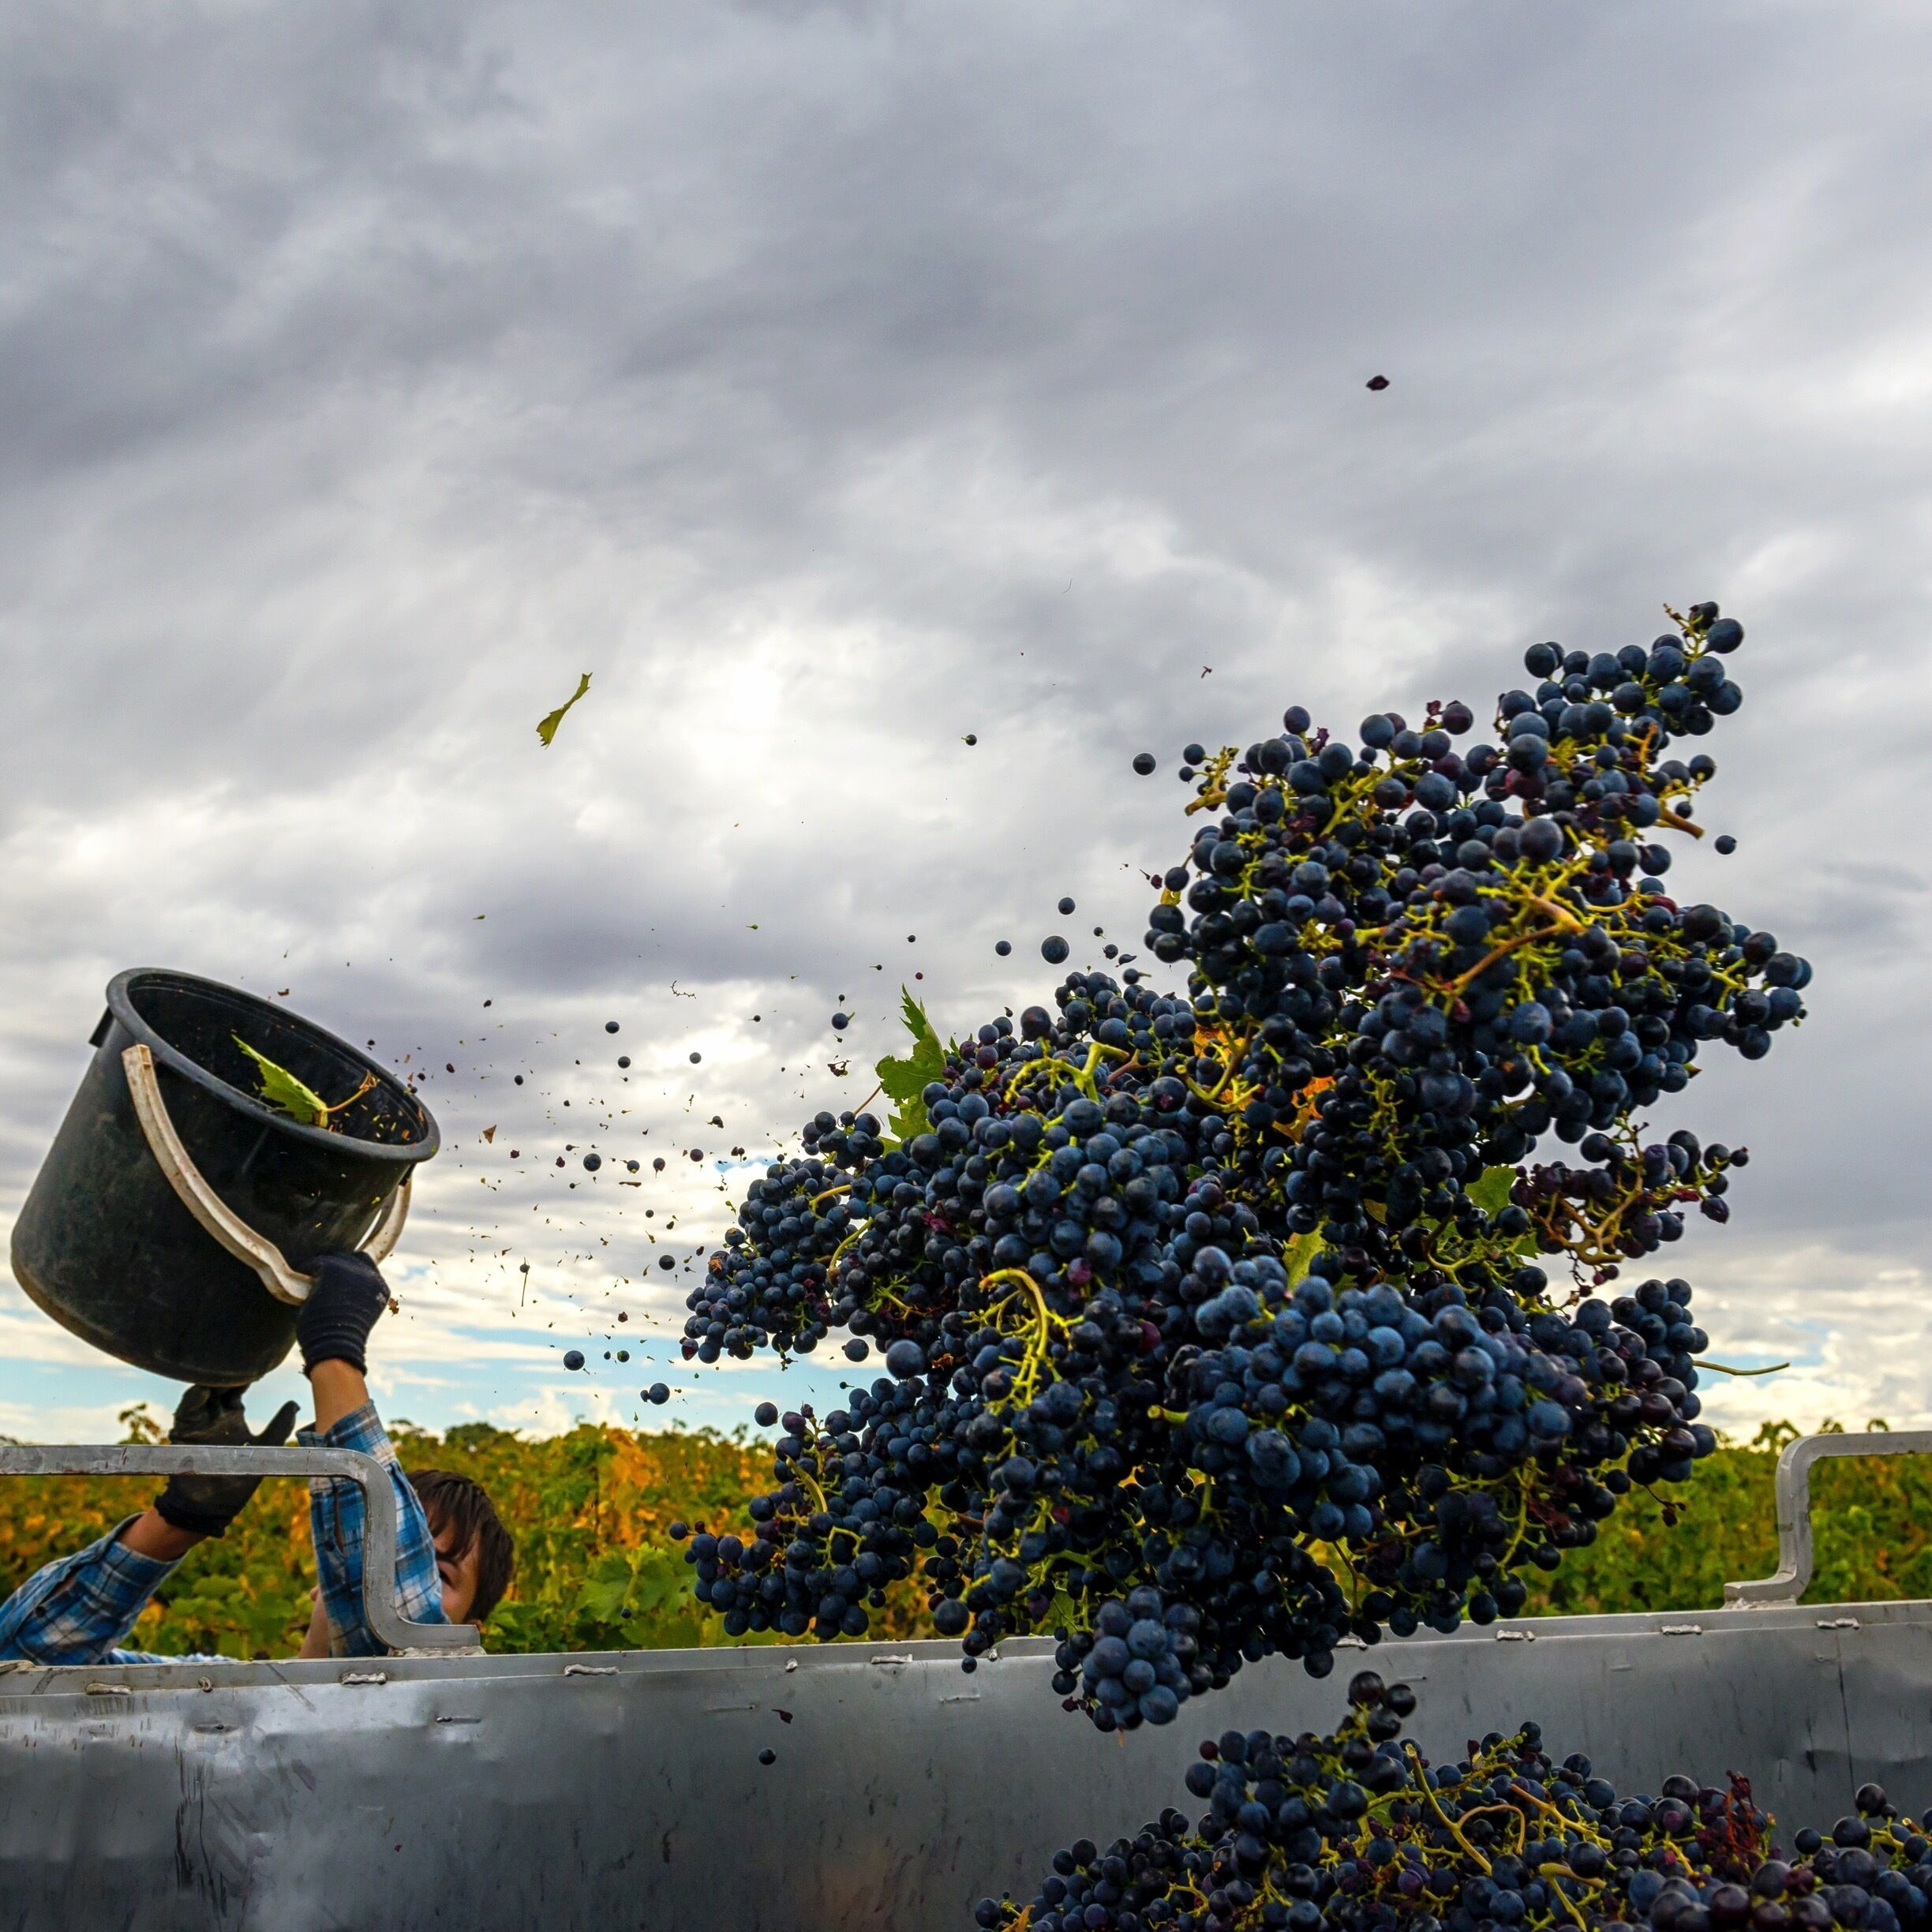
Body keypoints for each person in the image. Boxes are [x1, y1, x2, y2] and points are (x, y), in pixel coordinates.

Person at [0, 1252, 514, 1665]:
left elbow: (399, 1631)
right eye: (409, 1556)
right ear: (324, 1578)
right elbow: (26, 1660)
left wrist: (334, 1353)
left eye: (438, 1576)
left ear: (469, 1636)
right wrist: (180, 1520)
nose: (396, 1573)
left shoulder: (451, 1723)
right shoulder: (221, 1697)